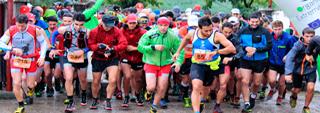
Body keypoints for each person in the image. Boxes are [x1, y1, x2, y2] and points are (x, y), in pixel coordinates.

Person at [173, 16, 236, 113]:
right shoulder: (192, 34)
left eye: (210, 30)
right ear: (199, 27)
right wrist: (177, 52)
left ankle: (201, 100)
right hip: (197, 64)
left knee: (206, 89)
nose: (209, 32)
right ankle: (197, 111)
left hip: (211, 66)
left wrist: (216, 52)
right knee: (196, 86)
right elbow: (185, 40)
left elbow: (232, 48)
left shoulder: (217, 35)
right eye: (206, 31)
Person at [0, 14, 48, 113]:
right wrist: (12, 49)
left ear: (27, 24)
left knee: (31, 84)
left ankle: (30, 90)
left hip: (31, 59)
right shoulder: (11, 30)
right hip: (16, 59)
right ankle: (21, 106)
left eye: (22, 26)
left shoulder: (35, 30)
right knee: (17, 83)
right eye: (18, 25)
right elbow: (1, 43)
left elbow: (44, 43)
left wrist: (42, 57)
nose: (20, 28)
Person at [138, 17, 185, 113]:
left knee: (162, 87)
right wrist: (153, 47)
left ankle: (154, 107)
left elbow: (180, 50)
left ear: (168, 26)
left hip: (165, 64)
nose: (163, 28)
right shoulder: (150, 34)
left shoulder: (173, 36)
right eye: (161, 25)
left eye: (165, 25)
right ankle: (148, 92)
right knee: (151, 87)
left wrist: (178, 62)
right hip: (151, 63)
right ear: (157, 25)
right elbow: (140, 47)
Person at [49, 13, 90, 112]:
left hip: (81, 57)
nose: (78, 27)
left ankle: (83, 92)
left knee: (82, 79)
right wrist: (53, 48)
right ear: (73, 22)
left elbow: (91, 45)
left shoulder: (88, 32)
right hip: (68, 56)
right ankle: (70, 101)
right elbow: (54, 35)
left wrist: (83, 51)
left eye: (81, 25)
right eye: (76, 24)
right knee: (69, 77)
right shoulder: (64, 29)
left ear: (84, 23)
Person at [87, 14, 128, 110]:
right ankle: (95, 99)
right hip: (98, 58)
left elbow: (124, 43)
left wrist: (113, 49)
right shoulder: (94, 31)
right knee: (96, 81)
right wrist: (98, 46)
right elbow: (90, 45)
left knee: (113, 80)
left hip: (112, 57)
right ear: (102, 22)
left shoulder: (116, 30)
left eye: (111, 25)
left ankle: (108, 100)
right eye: (107, 25)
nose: (108, 28)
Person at [238, 14, 272, 113]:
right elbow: (236, 42)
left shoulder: (265, 32)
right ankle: (247, 102)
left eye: (256, 22)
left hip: (260, 60)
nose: (254, 24)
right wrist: (245, 48)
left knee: (257, 83)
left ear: (259, 21)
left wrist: (256, 49)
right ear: (248, 21)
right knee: (245, 81)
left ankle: (253, 95)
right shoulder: (242, 30)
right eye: (252, 22)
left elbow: (269, 46)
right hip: (245, 59)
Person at [285, 28, 317, 113]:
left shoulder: (317, 44)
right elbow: (290, 57)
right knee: (296, 90)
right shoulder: (298, 45)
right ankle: (293, 96)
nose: (309, 39)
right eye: (307, 36)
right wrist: (288, 72)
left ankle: (306, 107)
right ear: (303, 36)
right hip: (298, 70)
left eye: (311, 36)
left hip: (311, 69)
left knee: (311, 88)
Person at [213, 22, 241, 113]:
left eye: (230, 32)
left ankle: (218, 105)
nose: (228, 34)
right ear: (221, 30)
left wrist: (231, 58)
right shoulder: (214, 36)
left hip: (227, 63)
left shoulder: (235, 38)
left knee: (224, 84)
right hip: (213, 63)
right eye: (225, 32)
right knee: (213, 86)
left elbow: (240, 51)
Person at [120, 14, 147, 107]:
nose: (132, 25)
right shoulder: (122, 31)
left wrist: (134, 48)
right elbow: (118, 43)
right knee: (127, 76)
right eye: (130, 23)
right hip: (125, 56)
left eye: (134, 23)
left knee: (138, 79)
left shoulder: (143, 32)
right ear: (126, 23)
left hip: (138, 57)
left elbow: (147, 46)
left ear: (137, 23)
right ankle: (126, 96)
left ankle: (138, 94)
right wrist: (124, 47)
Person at [265, 20, 293, 105]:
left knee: (281, 83)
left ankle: (280, 96)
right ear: (272, 29)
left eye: (279, 29)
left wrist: (288, 55)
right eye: (275, 29)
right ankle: (273, 89)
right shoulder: (269, 37)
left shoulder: (288, 38)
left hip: (285, 65)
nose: (277, 31)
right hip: (273, 62)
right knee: (272, 80)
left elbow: (294, 50)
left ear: (282, 28)